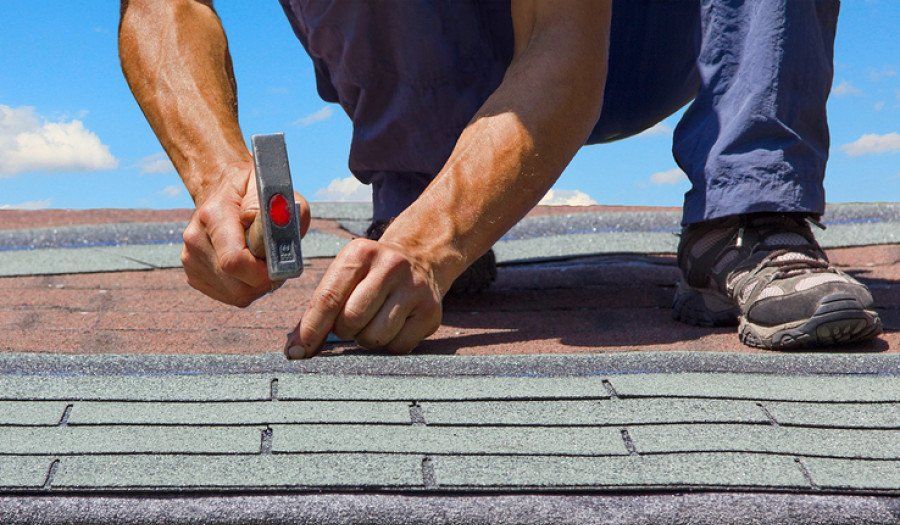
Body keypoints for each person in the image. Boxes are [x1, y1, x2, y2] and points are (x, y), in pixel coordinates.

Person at [119, 0, 882, 356]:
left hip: (649, 33)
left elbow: (565, 42)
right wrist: (216, 174)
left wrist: (430, 243)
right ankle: (424, 182)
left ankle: (748, 209)